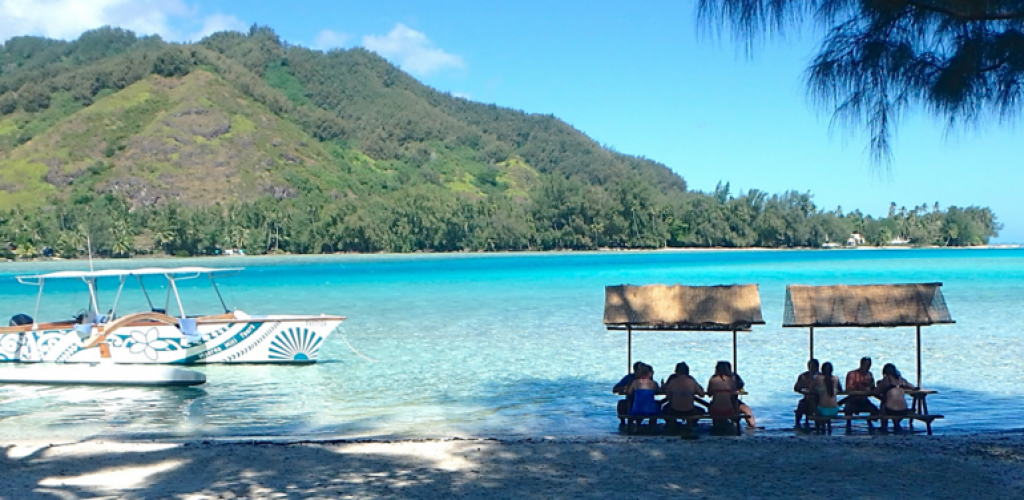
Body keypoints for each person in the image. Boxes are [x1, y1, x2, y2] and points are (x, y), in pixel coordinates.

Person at [661, 362, 706, 431]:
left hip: (674, 410)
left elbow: (669, 397)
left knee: (664, 409)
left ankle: (672, 424)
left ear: (676, 371)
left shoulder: (672, 381)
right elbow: (702, 394)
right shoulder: (691, 381)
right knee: (702, 410)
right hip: (690, 411)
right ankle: (691, 423)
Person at [876, 363, 917, 429]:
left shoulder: (887, 379)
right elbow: (913, 387)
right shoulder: (902, 380)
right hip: (903, 410)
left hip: (890, 410)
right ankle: (896, 425)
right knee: (893, 404)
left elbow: (876, 391)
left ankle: (884, 426)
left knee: (883, 404)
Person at [844, 357, 879, 422]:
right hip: (853, 400)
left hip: (864, 400)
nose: (868, 367)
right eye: (866, 365)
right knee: (848, 411)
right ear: (861, 364)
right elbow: (848, 389)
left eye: (869, 365)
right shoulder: (852, 374)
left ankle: (869, 422)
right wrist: (859, 387)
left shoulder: (869, 374)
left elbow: (872, 387)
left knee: (876, 412)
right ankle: (848, 426)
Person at [626, 364, 661, 429]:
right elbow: (658, 391)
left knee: (635, 404)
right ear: (649, 373)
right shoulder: (653, 383)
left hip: (637, 409)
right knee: (657, 406)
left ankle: (637, 425)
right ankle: (652, 426)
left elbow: (629, 392)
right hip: (650, 410)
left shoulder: (635, 382)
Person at [707, 361, 739, 429]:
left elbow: (709, 393)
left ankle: (715, 426)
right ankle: (732, 424)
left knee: (711, 404)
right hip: (728, 410)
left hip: (715, 410)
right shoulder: (731, 379)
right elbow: (734, 393)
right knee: (734, 402)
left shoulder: (713, 379)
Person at [814, 362, 843, 428]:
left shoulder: (818, 378)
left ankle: (819, 428)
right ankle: (828, 427)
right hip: (834, 410)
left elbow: (811, 388)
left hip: (822, 409)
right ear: (832, 370)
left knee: (814, 403)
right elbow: (841, 390)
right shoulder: (836, 378)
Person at [793, 358, 820, 427]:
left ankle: (819, 425)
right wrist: (804, 392)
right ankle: (797, 424)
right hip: (807, 400)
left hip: (819, 401)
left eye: (814, 366)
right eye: (810, 366)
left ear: (817, 367)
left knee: (818, 407)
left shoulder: (821, 377)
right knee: (801, 405)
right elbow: (796, 388)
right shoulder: (804, 376)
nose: (812, 368)